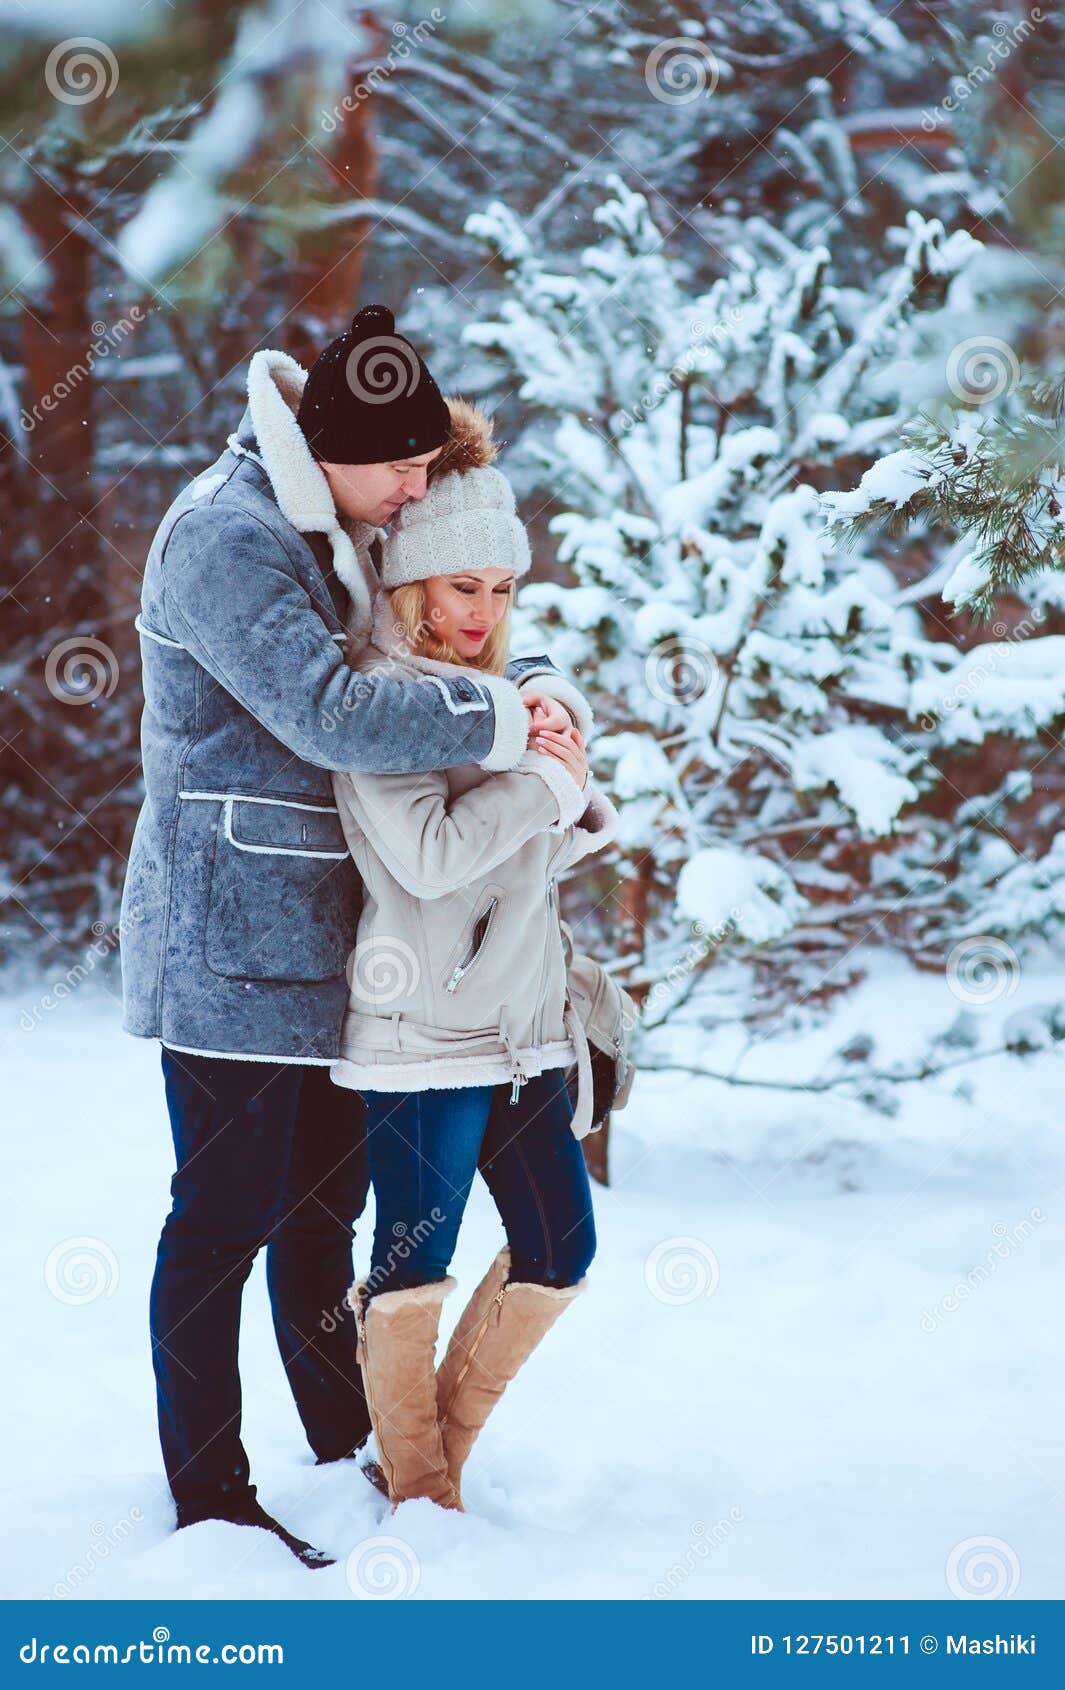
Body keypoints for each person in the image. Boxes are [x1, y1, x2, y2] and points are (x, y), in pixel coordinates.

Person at [119, 305, 579, 1566]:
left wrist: (526, 681)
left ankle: (336, 1455)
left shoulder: (342, 516)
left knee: (319, 1213)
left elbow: (433, 622)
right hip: (229, 934)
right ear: (333, 444)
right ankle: (210, 1493)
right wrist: (502, 731)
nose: (417, 491)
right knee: (221, 1215)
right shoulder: (226, 536)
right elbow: (328, 709)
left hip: (339, 938)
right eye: (405, 469)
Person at [329, 403, 618, 1513]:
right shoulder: (381, 699)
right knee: (415, 1268)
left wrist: (563, 761)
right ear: (413, 584)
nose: (482, 612)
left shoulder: (508, 691)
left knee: (560, 1245)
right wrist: (549, 783)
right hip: (423, 1033)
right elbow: (432, 855)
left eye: (502, 589)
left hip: (523, 1027)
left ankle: (424, 1460)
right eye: (462, 589)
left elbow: (549, 832)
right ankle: (419, 1490)